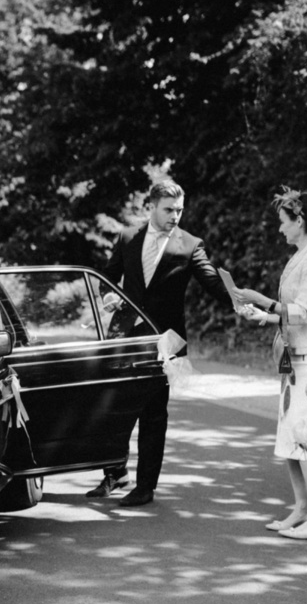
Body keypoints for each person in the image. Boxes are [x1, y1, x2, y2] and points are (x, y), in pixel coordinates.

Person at [88, 179, 233, 506]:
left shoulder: (190, 244)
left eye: (179, 210)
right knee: (114, 406)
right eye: (168, 210)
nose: (175, 216)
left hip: (165, 342)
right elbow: (108, 277)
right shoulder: (127, 237)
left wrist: (241, 303)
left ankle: (145, 487)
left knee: (153, 413)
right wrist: (109, 293)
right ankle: (115, 473)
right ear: (150, 207)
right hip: (124, 337)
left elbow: (211, 281)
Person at [231, 190, 307, 540]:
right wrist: (261, 315)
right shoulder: (301, 256)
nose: (280, 229)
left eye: (283, 221)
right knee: (291, 438)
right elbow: (288, 313)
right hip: (296, 360)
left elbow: (304, 312)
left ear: (300, 221)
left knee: (306, 438)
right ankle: (304, 508)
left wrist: (265, 300)